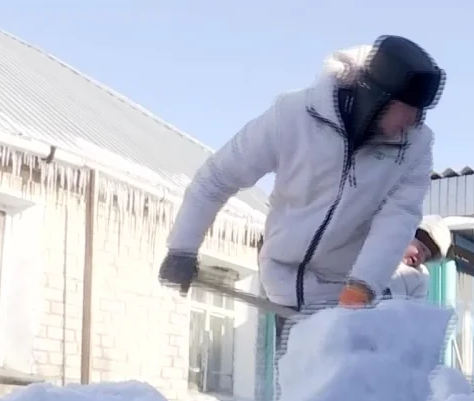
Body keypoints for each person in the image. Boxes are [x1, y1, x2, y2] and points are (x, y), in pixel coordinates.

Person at [156, 35, 446, 345]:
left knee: (340, 389)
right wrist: (183, 248)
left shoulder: (414, 147)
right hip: (283, 283)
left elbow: (398, 219)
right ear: (378, 97)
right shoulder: (293, 116)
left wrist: (361, 289)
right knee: (299, 387)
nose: (416, 120)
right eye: (409, 108)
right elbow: (217, 177)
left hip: (345, 290)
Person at [381, 215, 452, 301]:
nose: (421, 256)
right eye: (422, 249)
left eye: (426, 257)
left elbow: (414, 309)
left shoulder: (418, 277)